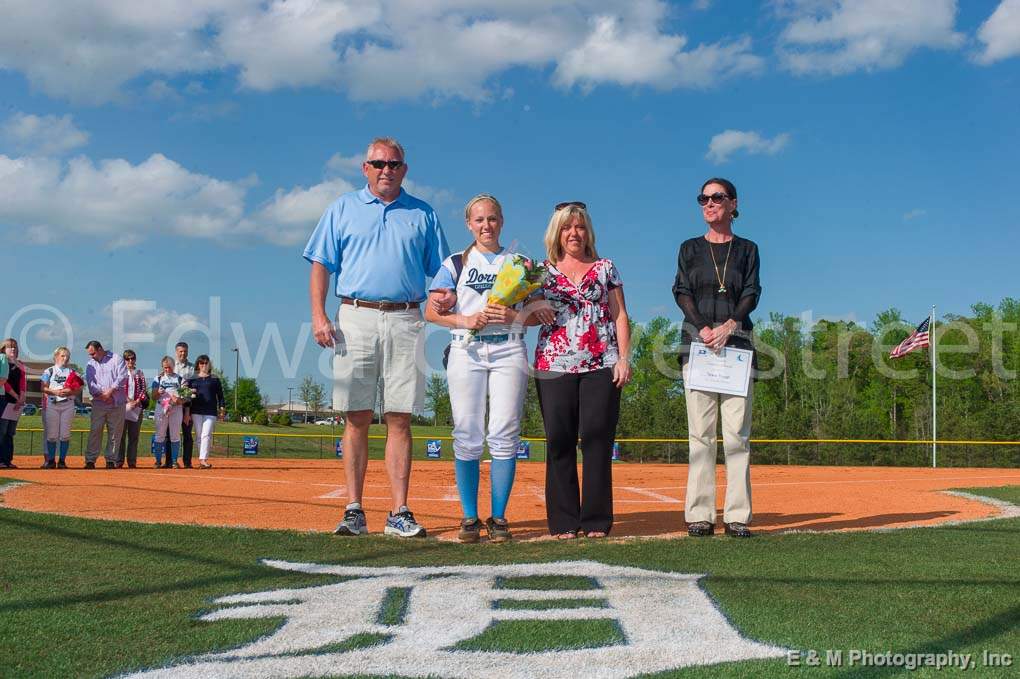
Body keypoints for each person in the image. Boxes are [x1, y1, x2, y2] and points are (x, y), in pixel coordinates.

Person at [305, 136, 450, 538]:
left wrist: (449, 294)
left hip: (406, 318)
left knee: (401, 417)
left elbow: (441, 272)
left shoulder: (423, 214)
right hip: (355, 317)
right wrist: (319, 315)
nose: (387, 170)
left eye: (395, 164)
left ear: (405, 169)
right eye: (379, 163)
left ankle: (399, 511)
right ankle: (354, 509)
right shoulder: (342, 209)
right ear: (365, 167)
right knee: (356, 416)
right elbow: (321, 265)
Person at [424, 194, 535, 543]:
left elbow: (538, 312)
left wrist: (515, 315)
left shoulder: (519, 263)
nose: (486, 225)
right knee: (468, 434)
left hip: (508, 350)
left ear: (501, 221)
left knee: (504, 433)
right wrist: (464, 318)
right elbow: (431, 311)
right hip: (466, 350)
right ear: (469, 225)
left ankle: (499, 518)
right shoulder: (455, 263)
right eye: (479, 220)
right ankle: (470, 518)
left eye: (492, 219)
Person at [533, 203, 631, 539]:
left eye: (580, 227)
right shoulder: (540, 272)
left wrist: (624, 358)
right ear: (556, 233)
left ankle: (595, 521)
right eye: (566, 228)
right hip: (553, 364)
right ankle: (563, 522)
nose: (574, 233)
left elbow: (619, 315)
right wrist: (536, 306)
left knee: (596, 439)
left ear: (588, 232)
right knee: (559, 440)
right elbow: (525, 317)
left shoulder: (605, 268)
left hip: (601, 363)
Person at [672, 177, 761, 538]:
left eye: (717, 197)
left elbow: (753, 290)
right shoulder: (689, 248)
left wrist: (731, 323)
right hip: (698, 347)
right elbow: (681, 290)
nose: (709, 203)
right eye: (704, 198)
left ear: (733, 203)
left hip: (736, 348)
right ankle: (700, 514)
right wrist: (703, 327)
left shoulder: (748, 249)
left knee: (737, 435)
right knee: (701, 435)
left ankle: (737, 514)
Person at [84, 340, 128, 469]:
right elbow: (90, 383)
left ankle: (111, 460)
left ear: (100, 349)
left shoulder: (116, 359)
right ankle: (90, 460)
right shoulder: (90, 364)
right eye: (90, 354)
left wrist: (110, 391)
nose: (91, 356)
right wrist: (102, 395)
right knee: (95, 431)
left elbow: (123, 377)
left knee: (115, 433)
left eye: (93, 353)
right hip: (99, 403)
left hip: (117, 403)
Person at [40, 347, 83, 469]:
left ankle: (62, 461)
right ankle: (51, 460)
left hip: (67, 405)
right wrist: (55, 392)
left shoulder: (72, 372)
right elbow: (43, 388)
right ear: (56, 357)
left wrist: (70, 392)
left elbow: (78, 389)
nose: (65, 358)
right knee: (52, 435)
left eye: (67, 356)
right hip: (52, 405)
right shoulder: (49, 371)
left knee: (65, 434)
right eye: (63, 355)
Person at [188, 354, 225, 469]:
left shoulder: (215, 379)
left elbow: (220, 396)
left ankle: (203, 459)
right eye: (201, 363)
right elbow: (187, 396)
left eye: (206, 363)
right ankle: (201, 459)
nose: (204, 365)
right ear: (198, 365)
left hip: (210, 411)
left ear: (209, 364)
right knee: (199, 436)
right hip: (196, 410)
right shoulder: (192, 379)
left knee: (206, 434)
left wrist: (222, 409)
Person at [163, 341, 195, 468]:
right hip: (171, 406)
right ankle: (169, 461)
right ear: (176, 352)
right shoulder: (170, 365)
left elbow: (191, 390)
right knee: (168, 434)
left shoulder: (192, 368)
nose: (183, 353)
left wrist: (188, 411)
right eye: (180, 351)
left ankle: (187, 462)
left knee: (187, 434)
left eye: (185, 351)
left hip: (186, 405)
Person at [151, 356, 185, 468]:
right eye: (165, 368)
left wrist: (178, 400)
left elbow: (185, 397)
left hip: (175, 408)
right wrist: (158, 393)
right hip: (161, 407)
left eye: (169, 367)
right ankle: (157, 461)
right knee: (160, 434)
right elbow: (153, 397)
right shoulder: (158, 378)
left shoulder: (180, 379)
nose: (167, 370)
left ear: (173, 366)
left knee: (175, 435)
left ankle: (174, 461)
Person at [118, 349, 148, 468]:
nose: (130, 361)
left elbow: (143, 389)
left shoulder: (139, 373)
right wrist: (127, 400)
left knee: (134, 436)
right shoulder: (120, 373)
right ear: (124, 360)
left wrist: (137, 401)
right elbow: (118, 388)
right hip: (122, 407)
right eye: (127, 358)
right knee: (120, 436)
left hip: (136, 408)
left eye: (132, 358)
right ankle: (119, 461)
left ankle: (132, 461)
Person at [0, 338, 26, 469]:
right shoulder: (3, 362)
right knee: (2, 431)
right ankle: (1, 460)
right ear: (3, 349)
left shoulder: (20, 364)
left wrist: (21, 397)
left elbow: (22, 382)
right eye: (10, 347)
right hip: (6, 399)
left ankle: (8, 459)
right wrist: (16, 396)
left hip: (17, 403)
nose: (13, 349)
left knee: (10, 432)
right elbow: (5, 383)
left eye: (15, 347)